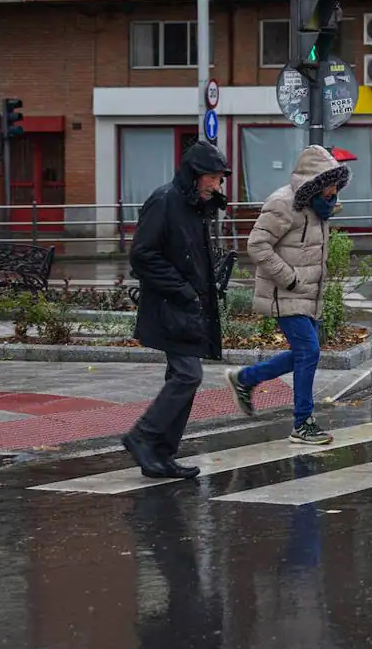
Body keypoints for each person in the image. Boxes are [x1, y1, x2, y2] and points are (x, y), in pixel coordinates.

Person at [225, 145, 351, 445]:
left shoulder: (320, 208)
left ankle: (245, 379)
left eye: (336, 182)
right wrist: (289, 279)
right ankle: (303, 423)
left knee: (302, 354)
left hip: (310, 294)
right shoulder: (283, 204)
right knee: (308, 352)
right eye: (329, 182)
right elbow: (257, 245)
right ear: (315, 181)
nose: (334, 189)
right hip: (287, 292)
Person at [123, 141, 231, 479]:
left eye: (219, 179)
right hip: (171, 304)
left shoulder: (194, 205)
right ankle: (143, 436)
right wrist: (183, 291)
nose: (216, 185)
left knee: (182, 377)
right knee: (188, 375)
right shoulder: (165, 200)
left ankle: (162, 452)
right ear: (195, 175)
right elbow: (142, 254)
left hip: (187, 304)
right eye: (212, 178)